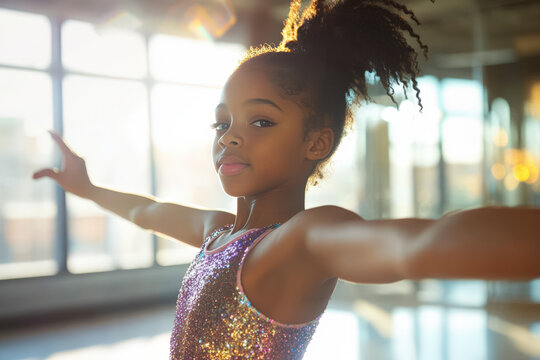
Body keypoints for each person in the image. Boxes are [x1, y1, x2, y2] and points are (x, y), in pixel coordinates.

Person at [32, 0, 540, 358]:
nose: (229, 137)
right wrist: (89, 189)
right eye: (222, 122)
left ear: (316, 143)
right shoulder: (217, 233)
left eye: (261, 121)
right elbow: (146, 211)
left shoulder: (303, 241)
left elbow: (427, 244)